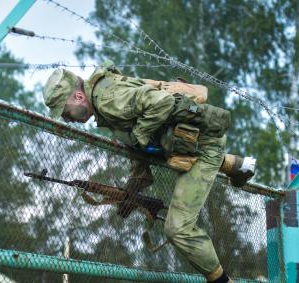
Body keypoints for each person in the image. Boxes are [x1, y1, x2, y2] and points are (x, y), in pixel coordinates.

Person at [42, 61, 255, 283]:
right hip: (189, 143)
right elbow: (137, 139)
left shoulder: (108, 100)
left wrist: (139, 136)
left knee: (177, 230)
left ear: (78, 97)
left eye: (65, 112)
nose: (67, 119)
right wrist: (129, 191)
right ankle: (238, 165)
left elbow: (161, 103)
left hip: (203, 145)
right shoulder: (103, 96)